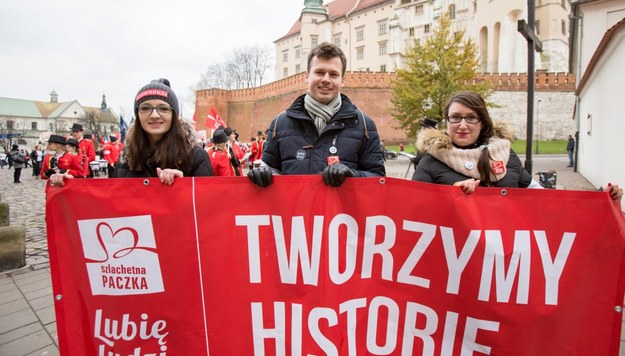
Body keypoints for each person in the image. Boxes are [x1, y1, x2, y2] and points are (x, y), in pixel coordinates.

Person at [411, 92, 623, 202]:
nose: (463, 125)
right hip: (455, 263)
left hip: (505, 263)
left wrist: (599, 198)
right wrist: (451, 197)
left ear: (483, 122)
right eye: (455, 117)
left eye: (471, 117)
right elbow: (413, 213)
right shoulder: (431, 162)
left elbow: (543, 199)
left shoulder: (504, 155)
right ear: (446, 122)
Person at [247, 42, 385, 187]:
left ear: (342, 80)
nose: (326, 79)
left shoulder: (363, 124)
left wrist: (352, 175)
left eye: (333, 74)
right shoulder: (280, 123)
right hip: (295, 209)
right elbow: (270, 167)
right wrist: (262, 174)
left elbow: (378, 178)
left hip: (340, 210)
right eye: (319, 72)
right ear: (307, 76)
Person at [51, 78, 213, 187]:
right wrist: (71, 186)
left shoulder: (196, 157)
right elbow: (110, 206)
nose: (154, 115)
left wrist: (184, 186)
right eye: (146, 108)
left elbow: (210, 210)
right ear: (138, 114)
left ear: (173, 115)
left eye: (163, 108)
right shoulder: (126, 160)